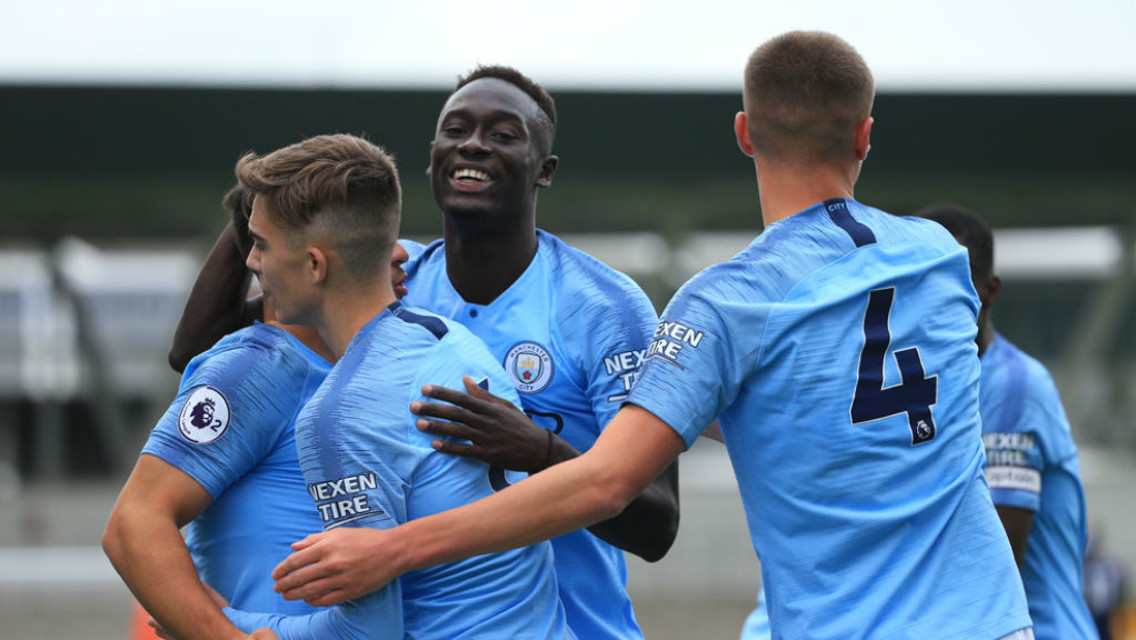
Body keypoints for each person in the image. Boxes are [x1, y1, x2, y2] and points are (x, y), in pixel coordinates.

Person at [271, 31, 1034, 639]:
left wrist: (391, 549)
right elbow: (843, 401)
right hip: (992, 621)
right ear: (865, 136)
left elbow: (610, 482)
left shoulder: (725, 304)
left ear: (744, 133)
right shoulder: (941, 258)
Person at [167, 66, 679, 640]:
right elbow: (199, 351)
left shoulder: (607, 307)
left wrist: (537, 449)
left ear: (546, 170)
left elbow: (657, 523)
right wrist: (260, 196)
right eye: (455, 129)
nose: (474, 145)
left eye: (504, 134)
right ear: (432, 155)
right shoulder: (392, 281)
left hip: (577, 626)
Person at [228, 132, 572, 639]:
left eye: (260, 245)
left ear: (315, 264)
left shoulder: (339, 414)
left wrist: (224, 623)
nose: (252, 262)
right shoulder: (454, 341)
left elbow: (367, 631)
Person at [102, 184, 333, 640]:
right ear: (316, 260)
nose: (402, 259)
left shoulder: (394, 356)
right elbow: (134, 524)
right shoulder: (261, 367)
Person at [921, 203, 1099, 639]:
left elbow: (996, 563)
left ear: (990, 290)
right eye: (923, 283)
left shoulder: (1013, 387)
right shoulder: (929, 386)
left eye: (954, 282)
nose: (936, 299)